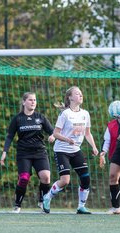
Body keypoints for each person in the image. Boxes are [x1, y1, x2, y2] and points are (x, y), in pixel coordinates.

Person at [42, 86, 98, 214]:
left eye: (81, 93)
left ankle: (81, 206)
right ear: (70, 98)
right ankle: (47, 197)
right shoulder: (65, 114)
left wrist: (94, 147)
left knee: (85, 178)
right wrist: (67, 139)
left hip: (75, 150)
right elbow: (55, 133)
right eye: (77, 93)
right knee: (65, 181)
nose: (80, 95)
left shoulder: (85, 114)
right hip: (62, 150)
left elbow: (88, 134)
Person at [0, 92, 55, 213]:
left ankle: (42, 201)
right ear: (24, 102)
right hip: (24, 153)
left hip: (40, 152)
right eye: (30, 100)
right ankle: (17, 204)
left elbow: (53, 131)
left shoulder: (40, 117)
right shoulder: (17, 119)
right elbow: (9, 136)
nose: (33, 102)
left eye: (34, 100)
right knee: (24, 178)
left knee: (46, 177)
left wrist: (52, 136)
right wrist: (5, 152)